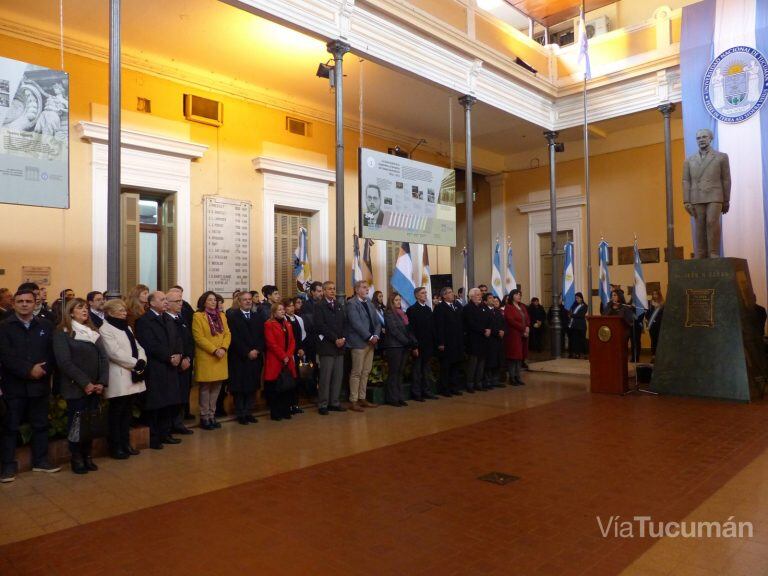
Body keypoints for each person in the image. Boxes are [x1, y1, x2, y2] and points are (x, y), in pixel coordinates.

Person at [0, 288, 60, 482]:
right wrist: (28, 370)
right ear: (14, 304)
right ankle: (8, 467)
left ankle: (40, 461)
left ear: (35, 303)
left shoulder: (46, 325)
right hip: (14, 386)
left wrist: (43, 369)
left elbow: (53, 353)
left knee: (41, 424)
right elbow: (5, 356)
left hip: (40, 385)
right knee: (10, 427)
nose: (24, 304)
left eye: (28, 301)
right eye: (20, 301)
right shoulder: (4, 327)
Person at [53, 298, 109, 474]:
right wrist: (86, 383)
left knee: (90, 423)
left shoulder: (93, 331)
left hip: (95, 386)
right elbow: (64, 362)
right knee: (77, 424)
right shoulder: (63, 333)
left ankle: (87, 455)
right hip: (75, 386)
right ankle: (76, 457)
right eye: (80, 308)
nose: (84, 310)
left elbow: (104, 358)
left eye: (85, 307)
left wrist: (101, 382)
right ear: (70, 312)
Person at [135, 291, 183, 449]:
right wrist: (168, 357)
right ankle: (154, 437)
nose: (165, 302)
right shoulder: (144, 321)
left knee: (169, 402)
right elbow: (149, 344)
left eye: (165, 299)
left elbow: (177, 339)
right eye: (162, 299)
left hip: (171, 367)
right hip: (156, 367)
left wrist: (178, 355)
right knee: (155, 404)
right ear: (152, 303)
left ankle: (166, 433)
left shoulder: (167, 319)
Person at [99, 299, 146, 459]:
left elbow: (138, 346)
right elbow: (114, 352)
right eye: (121, 310)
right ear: (111, 312)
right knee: (116, 413)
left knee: (127, 413)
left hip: (132, 374)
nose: (125, 313)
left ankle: (126, 443)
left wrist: (142, 360)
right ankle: (116, 446)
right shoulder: (105, 329)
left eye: (125, 310)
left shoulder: (126, 327)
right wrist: (135, 363)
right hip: (118, 376)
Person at [683, 128, 731, 259]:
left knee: (712, 222)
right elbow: (686, 180)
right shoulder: (689, 160)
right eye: (698, 138)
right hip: (696, 196)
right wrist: (686, 200)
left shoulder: (721, 157)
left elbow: (726, 179)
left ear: (710, 138)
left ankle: (714, 252)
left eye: (704, 137)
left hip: (715, 195)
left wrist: (726, 200)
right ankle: (701, 253)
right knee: (699, 225)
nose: (701, 140)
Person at [192, 291, 231, 430]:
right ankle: (204, 417)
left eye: (215, 300)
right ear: (204, 302)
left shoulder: (222, 316)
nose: (213, 302)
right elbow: (199, 337)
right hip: (207, 356)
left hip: (221, 356)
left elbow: (227, 333)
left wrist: (223, 348)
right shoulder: (198, 316)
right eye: (210, 300)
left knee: (216, 388)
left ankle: (212, 415)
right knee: (205, 388)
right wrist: (215, 350)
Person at [227, 291, 264, 425]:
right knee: (240, 387)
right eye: (245, 300)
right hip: (240, 358)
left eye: (250, 299)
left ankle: (249, 412)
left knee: (252, 386)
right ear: (239, 302)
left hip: (255, 357)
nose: (248, 301)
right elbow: (234, 338)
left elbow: (262, 336)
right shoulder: (232, 317)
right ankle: (240, 413)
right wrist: (247, 352)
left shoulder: (257, 317)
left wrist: (257, 350)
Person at [345, 280, 381, 411]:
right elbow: (356, 323)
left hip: (371, 343)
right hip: (359, 343)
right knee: (356, 372)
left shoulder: (370, 303)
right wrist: (370, 337)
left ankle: (362, 397)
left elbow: (377, 322)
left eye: (367, 288)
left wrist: (376, 336)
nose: (367, 290)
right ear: (356, 290)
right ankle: (353, 400)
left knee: (366, 372)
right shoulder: (351, 304)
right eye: (364, 288)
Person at [314, 281, 347, 415]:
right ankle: (323, 404)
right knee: (326, 377)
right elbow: (321, 326)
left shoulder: (339, 305)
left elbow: (345, 323)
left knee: (338, 376)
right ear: (324, 291)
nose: (332, 291)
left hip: (340, 346)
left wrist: (343, 338)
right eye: (329, 289)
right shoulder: (319, 306)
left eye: (334, 289)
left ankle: (335, 402)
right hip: (327, 345)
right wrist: (335, 339)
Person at [166, 289, 194, 435]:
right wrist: (180, 358)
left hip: (186, 363)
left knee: (184, 394)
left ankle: (179, 422)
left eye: (181, 300)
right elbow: (170, 344)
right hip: (173, 364)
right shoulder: (166, 319)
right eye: (177, 301)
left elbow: (189, 341)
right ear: (168, 304)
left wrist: (188, 357)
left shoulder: (181, 319)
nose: (180, 304)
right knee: (173, 395)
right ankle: (170, 424)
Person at [263, 303, 297, 421]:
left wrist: (288, 355)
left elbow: (292, 341)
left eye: (283, 309)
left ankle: (285, 410)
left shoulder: (288, 324)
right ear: (274, 312)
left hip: (287, 359)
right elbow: (271, 343)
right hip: (275, 359)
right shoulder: (269, 324)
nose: (282, 311)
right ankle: (276, 412)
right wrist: (283, 356)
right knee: (275, 387)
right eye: (280, 310)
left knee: (286, 386)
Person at [381, 292, 416, 407]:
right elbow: (394, 330)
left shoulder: (403, 313)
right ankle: (392, 398)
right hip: (394, 346)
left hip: (404, 347)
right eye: (396, 300)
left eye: (399, 300)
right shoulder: (389, 313)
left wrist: (411, 341)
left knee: (400, 373)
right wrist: (406, 341)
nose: (398, 302)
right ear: (391, 301)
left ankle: (400, 396)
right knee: (394, 372)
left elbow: (408, 329)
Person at [407, 286, 438, 401]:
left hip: (428, 345)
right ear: (417, 295)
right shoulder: (412, 310)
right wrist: (414, 346)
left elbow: (432, 328)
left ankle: (427, 391)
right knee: (417, 370)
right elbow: (411, 330)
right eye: (422, 293)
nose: (425, 294)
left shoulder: (428, 309)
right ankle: (416, 393)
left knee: (426, 370)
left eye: (425, 293)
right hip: (418, 345)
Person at [433, 287, 464, 396]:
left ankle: (454, 387)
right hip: (447, 342)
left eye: (452, 292)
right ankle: (444, 389)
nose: (452, 294)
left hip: (457, 341)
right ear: (444, 296)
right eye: (449, 293)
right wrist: (441, 342)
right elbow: (439, 326)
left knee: (455, 365)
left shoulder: (456, 306)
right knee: (446, 366)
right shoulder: (440, 308)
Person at [463, 287, 491, 393]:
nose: (480, 296)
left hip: (484, 339)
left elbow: (490, 318)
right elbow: (471, 323)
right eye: (478, 295)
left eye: (480, 294)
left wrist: (489, 328)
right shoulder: (467, 308)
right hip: (473, 339)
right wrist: (484, 330)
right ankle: (470, 384)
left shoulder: (484, 307)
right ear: (471, 296)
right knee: (473, 363)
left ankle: (479, 382)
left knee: (481, 362)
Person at [284, 298, 306, 415]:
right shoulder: (283, 320)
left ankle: (295, 404)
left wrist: (301, 348)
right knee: (288, 379)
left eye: (292, 306)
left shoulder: (298, 319)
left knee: (296, 379)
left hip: (297, 352)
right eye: (288, 306)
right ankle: (287, 404)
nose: (291, 308)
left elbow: (301, 335)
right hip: (287, 354)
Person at [504, 289, 530, 386]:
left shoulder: (522, 306)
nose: (519, 296)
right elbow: (511, 320)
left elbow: (527, 318)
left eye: (520, 294)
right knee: (513, 357)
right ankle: (512, 377)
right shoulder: (509, 307)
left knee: (520, 356)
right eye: (517, 294)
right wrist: (523, 328)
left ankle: (518, 376)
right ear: (512, 296)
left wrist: (527, 327)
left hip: (523, 334)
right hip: (513, 334)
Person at [484, 294, 506, 388]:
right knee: (490, 361)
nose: (493, 299)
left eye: (493, 298)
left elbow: (503, 323)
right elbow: (487, 325)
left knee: (498, 360)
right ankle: (488, 381)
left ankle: (495, 380)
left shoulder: (497, 311)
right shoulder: (484, 311)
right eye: (490, 298)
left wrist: (503, 331)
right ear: (485, 301)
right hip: (490, 340)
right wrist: (497, 332)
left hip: (498, 340)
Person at [568, 292, 588, 359]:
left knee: (582, 340)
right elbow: (570, 312)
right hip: (574, 325)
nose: (577, 299)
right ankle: (577, 354)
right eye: (576, 298)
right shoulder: (574, 305)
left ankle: (585, 354)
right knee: (575, 340)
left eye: (578, 298)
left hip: (581, 326)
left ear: (581, 298)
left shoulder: (585, 306)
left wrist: (572, 315)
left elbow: (580, 315)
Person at [647, 289, 664, 359]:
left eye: (656, 294)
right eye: (653, 294)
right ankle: (653, 356)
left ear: (659, 295)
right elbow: (647, 314)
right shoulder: (650, 303)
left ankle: (660, 356)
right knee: (653, 340)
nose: (655, 296)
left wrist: (658, 307)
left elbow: (663, 315)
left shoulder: (663, 304)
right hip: (652, 325)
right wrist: (648, 319)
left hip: (660, 325)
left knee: (659, 340)